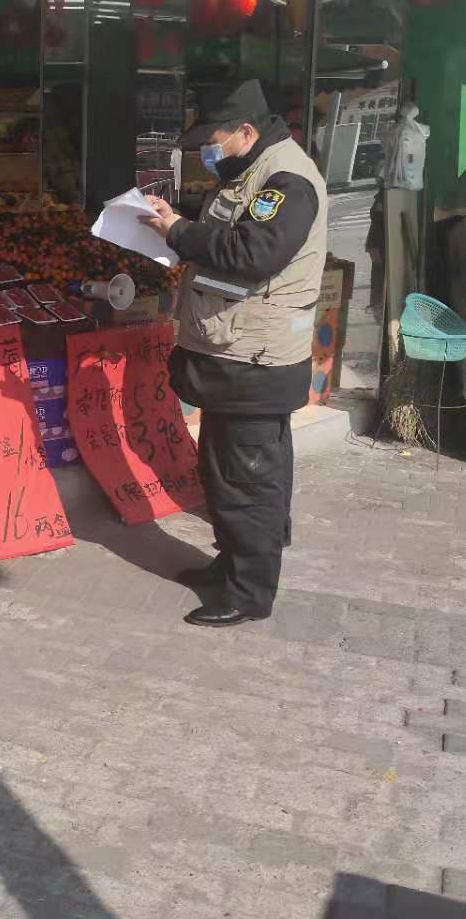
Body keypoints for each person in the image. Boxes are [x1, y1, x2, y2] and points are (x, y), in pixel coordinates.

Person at [139, 79, 328, 628]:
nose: (207, 152)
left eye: (212, 141)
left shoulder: (287, 181)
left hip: (257, 359)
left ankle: (250, 592)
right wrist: (175, 218)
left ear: (246, 131)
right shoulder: (251, 170)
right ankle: (231, 565)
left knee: (249, 479)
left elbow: (253, 252)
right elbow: (228, 229)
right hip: (235, 354)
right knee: (225, 471)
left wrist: (179, 231)